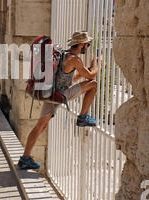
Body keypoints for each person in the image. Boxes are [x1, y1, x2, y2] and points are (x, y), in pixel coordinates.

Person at [18, 31, 99, 170]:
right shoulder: (75, 59)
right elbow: (91, 76)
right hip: (61, 95)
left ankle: (25, 158)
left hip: (51, 94)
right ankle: (82, 117)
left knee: (40, 127)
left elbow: (71, 79)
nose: (88, 46)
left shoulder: (62, 54)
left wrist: (86, 71)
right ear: (81, 44)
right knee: (94, 85)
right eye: (87, 44)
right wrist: (97, 65)